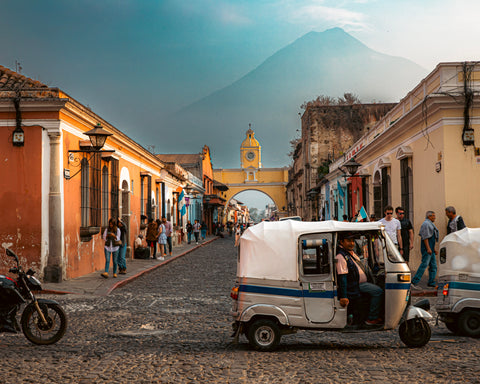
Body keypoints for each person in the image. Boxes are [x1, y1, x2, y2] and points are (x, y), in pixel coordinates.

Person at [336, 232, 384, 326]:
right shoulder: (341, 257)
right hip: (355, 286)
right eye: (348, 241)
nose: (352, 243)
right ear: (341, 242)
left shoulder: (350, 253)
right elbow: (343, 278)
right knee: (378, 291)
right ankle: (372, 318)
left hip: (359, 283)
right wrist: (344, 296)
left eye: (353, 241)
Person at [412, 211, 439, 289]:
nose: (434, 217)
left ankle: (431, 282)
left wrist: (433, 249)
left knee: (433, 266)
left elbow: (432, 238)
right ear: (429, 216)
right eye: (433, 216)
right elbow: (425, 237)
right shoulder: (426, 224)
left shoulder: (431, 224)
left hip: (431, 249)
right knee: (424, 264)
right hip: (427, 249)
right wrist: (428, 248)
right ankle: (415, 281)